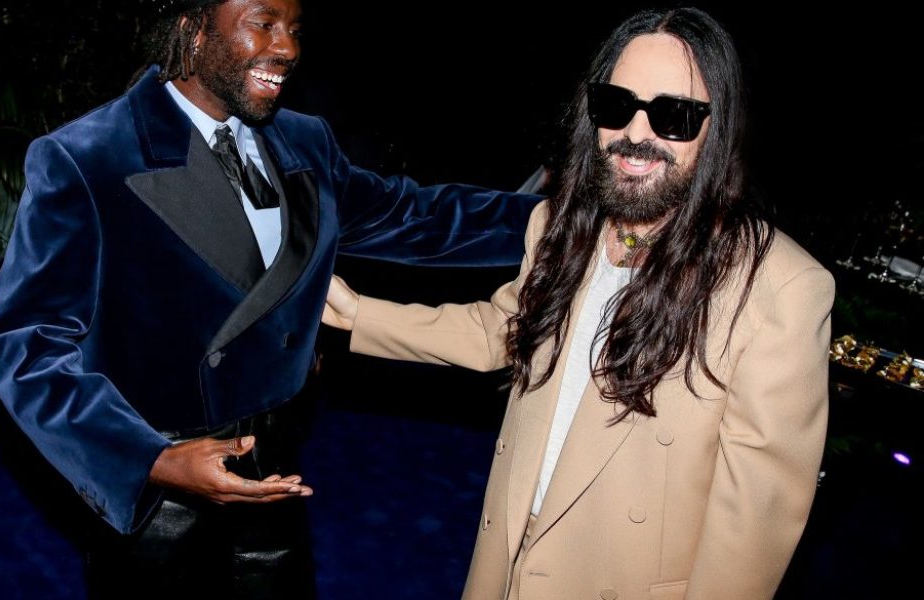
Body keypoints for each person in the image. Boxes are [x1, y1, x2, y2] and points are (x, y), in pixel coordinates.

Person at [0, 0, 539, 597]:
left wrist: (557, 219)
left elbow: (414, 216)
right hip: (162, 486)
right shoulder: (88, 156)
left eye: (294, 29)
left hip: (276, 467)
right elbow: (25, 345)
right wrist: (150, 460)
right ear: (194, 31)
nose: (288, 48)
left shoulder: (303, 139)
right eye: (264, 24)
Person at [323, 7, 834, 599]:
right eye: (617, 105)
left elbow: (753, 525)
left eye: (673, 115)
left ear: (718, 129)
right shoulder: (560, 227)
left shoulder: (779, 288)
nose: (636, 134)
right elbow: (503, 330)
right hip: (508, 563)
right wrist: (358, 313)